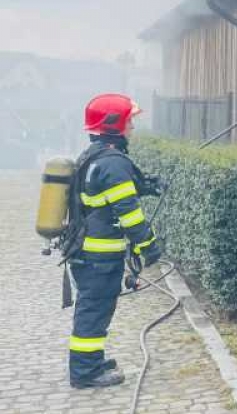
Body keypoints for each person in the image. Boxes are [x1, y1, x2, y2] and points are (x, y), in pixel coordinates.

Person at [66, 93, 162, 389]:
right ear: (114, 123)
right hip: (98, 257)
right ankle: (85, 372)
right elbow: (129, 214)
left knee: (94, 308)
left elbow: (108, 197)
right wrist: (149, 245)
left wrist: (147, 187)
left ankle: (92, 360)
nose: (132, 126)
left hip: (88, 254)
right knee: (94, 310)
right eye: (129, 120)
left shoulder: (96, 156)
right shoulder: (112, 162)